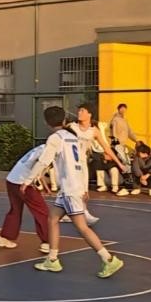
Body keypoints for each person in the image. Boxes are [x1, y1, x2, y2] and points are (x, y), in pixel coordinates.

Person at [30, 106, 124, 278]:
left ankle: (109, 259)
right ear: (64, 120)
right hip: (72, 185)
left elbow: (44, 161)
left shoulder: (57, 137)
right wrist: (83, 186)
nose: (80, 113)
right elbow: (80, 162)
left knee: (82, 227)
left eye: (83, 111)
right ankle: (52, 259)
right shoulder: (73, 135)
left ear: (46, 123)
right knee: (52, 219)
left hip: (70, 188)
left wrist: (29, 180)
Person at [69, 103, 126, 223]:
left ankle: (83, 212)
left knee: (84, 192)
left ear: (89, 114)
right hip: (68, 163)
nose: (79, 112)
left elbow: (106, 148)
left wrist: (119, 163)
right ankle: (72, 214)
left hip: (81, 164)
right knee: (69, 190)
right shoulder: (71, 127)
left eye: (82, 111)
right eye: (79, 110)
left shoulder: (94, 131)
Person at [0, 144, 50, 252]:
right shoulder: (49, 152)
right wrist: (29, 182)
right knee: (42, 212)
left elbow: (38, 171)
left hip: (12, 180)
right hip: (24, 182)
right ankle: (47, 242)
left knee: (15, 210)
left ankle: (5, 237)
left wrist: (45, 187)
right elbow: (38, 167)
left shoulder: (41, 148)